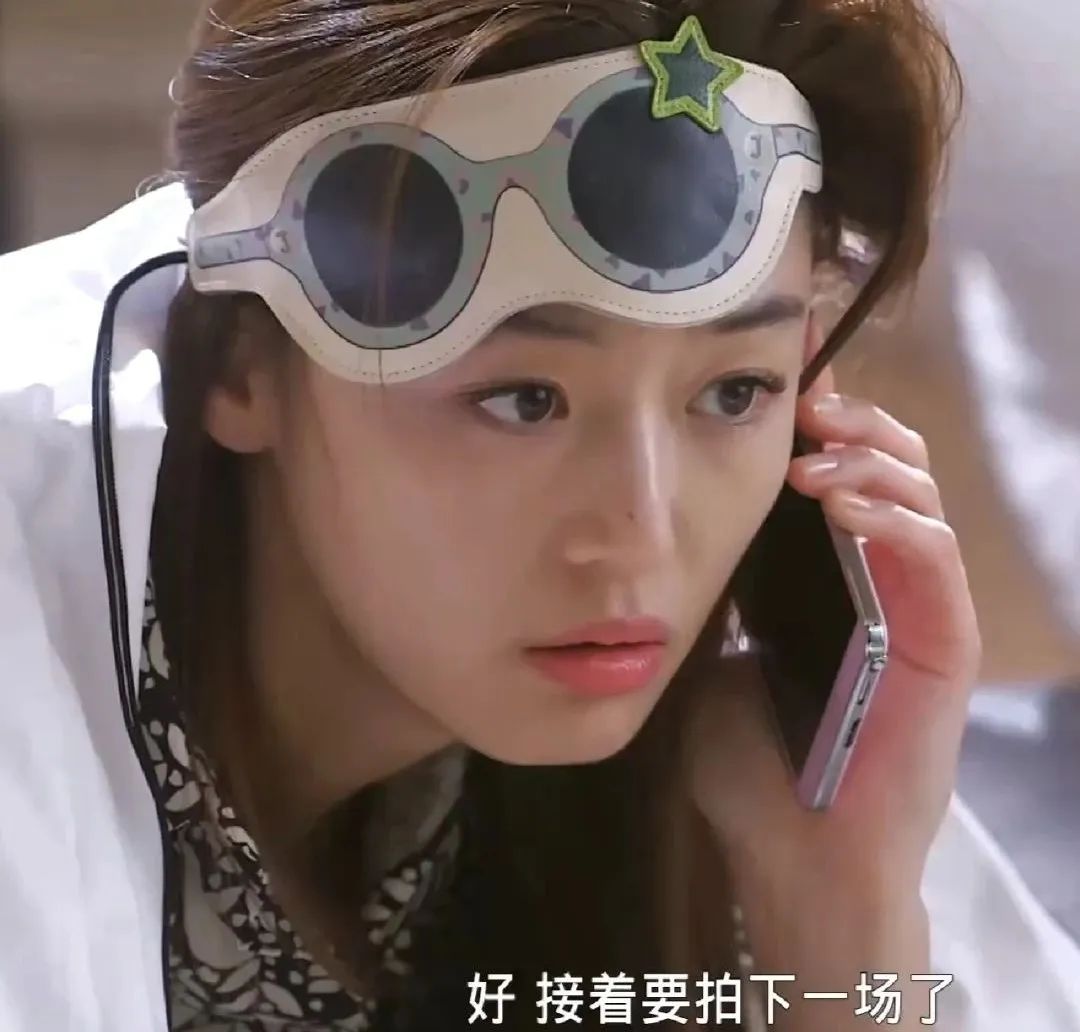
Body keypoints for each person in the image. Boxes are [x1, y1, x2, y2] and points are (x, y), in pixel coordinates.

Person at [0, 2, 1077, 1031]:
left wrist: (844, 912)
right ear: (241, 365)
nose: (646, 533)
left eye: (735, 392)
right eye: (523, 400)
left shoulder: (738, 731)